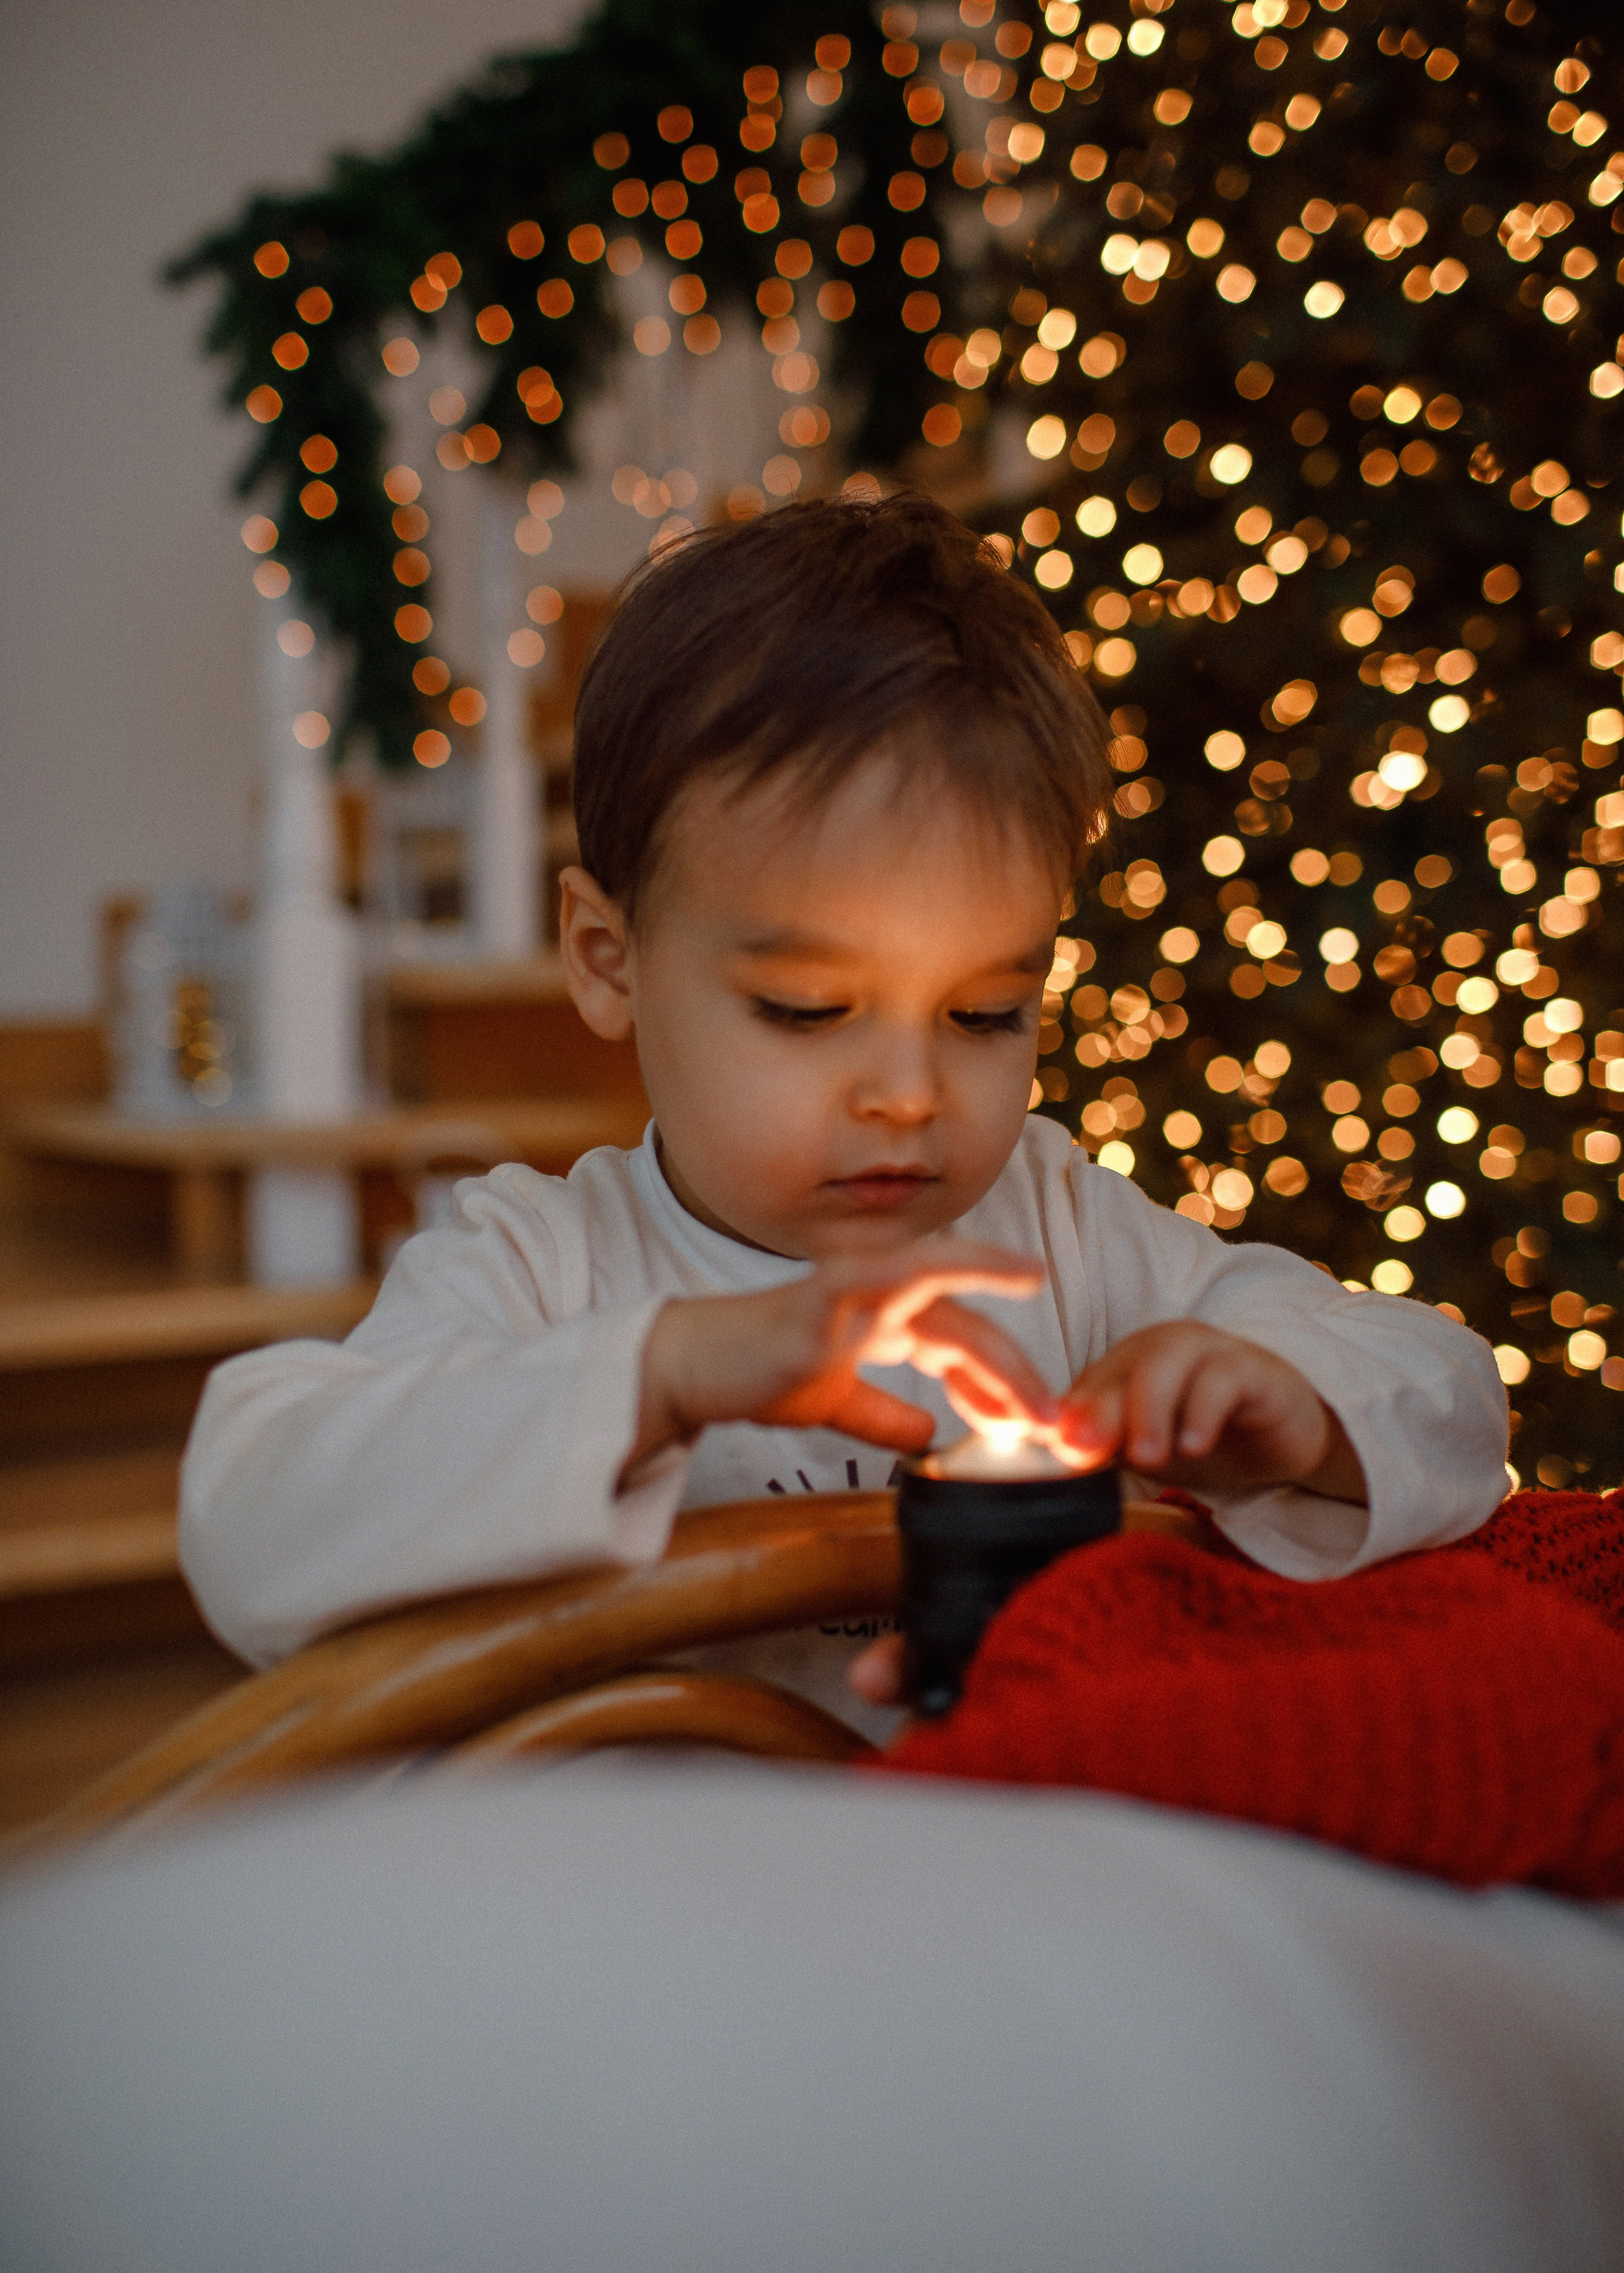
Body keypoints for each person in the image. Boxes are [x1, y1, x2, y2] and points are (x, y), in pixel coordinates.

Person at [180, 492, 1509, 1735]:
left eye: (985, 1014)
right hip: (669, 1916)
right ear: (606, 958)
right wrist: (664, 1374)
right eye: (808, 1010)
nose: (909, 1094)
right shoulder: (546, 1266)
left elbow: (1451, 1406)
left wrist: (1295, 1404)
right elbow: (250, 1522)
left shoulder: (1066, 1236)